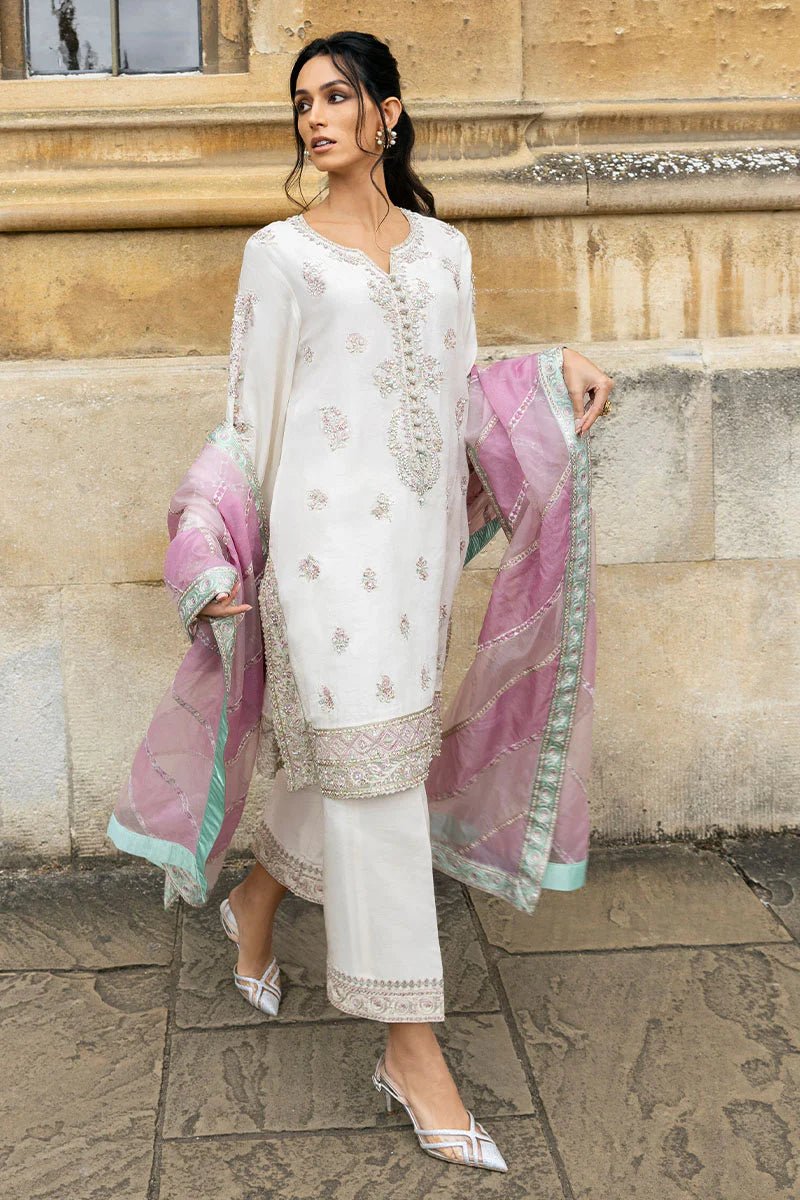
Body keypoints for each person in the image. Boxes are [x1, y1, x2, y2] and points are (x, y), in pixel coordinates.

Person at [110, 29, 613, 1173]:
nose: (315, 116)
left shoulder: (441, 250)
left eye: (337, 96)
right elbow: (248, 419)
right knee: (380, 783)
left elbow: (464, 395)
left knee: (369, 761)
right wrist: (207, 545)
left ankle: (255, 900)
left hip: (417, 562)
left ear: (387, 112)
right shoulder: (279, 257)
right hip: (325, 565)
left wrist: (552, 371)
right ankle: (408, 1046)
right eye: (302, 102)